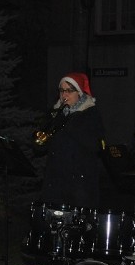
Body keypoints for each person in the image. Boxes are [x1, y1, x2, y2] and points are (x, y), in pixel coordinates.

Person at [38, 72, 105, 209]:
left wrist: (69, 123)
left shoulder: (90, 113)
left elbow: (96, 145)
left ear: (79, 93)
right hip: (55, 181)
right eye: (62, 90)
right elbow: (42, 146)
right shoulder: (55, 113)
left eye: (69, 90)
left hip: (80, 184)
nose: (64, 95)